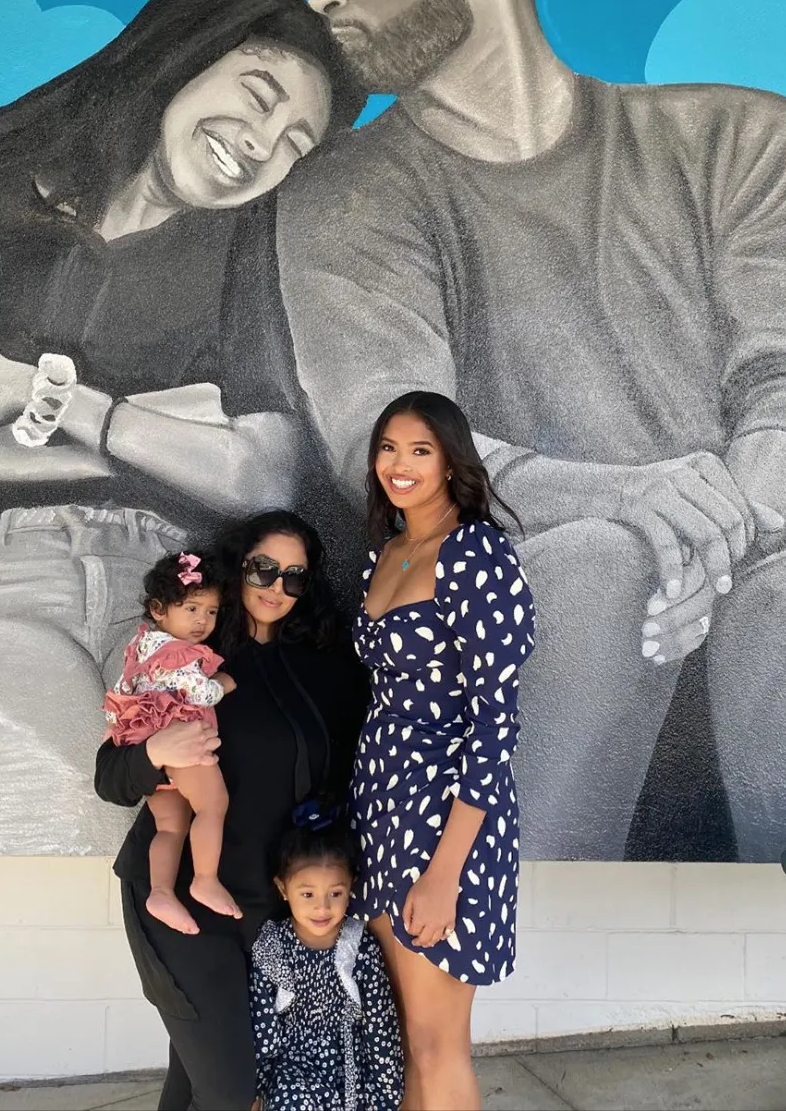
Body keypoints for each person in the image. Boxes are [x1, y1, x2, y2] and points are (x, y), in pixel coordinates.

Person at [277, 0, 786, 863]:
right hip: (533, 595)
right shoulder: (343, 194)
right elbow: (386, 439)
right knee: (594, 563)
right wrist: (626, 502)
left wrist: (720, 534)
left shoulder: (742, 136)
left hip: (767, 568)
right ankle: (512, 935)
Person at [0, 0, 363, 854]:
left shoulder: (255, 245)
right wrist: (176, 430)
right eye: (257, 97)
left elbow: (259, 475)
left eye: (296, 141)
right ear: (185, 57)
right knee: (63, 854)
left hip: (183, 598)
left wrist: (29, 394)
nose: (261, 146)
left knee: (225, 869)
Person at [96, 511, 369, 1111]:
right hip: (180, 904)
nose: (277, 587)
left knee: (197, 1082)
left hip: (266, 913)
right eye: (263, 569)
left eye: (294, 576)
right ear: (236, 567)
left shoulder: (322, 665)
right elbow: (110, 777)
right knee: (231, 1093)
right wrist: (155, 752)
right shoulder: (189, 657)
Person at [351, 392, 534, 1111]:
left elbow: (495, 725)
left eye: (420, 451)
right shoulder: (387, 551)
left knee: (437, 1044)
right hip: (381, 807)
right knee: (405, 1042)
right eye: (388, 447)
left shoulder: (478, 554)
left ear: (452, 462)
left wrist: (445, 873)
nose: (399, 465)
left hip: (445, 820)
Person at [104, 551, 242, 931]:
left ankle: (161, 892)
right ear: (158, 609)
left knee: (170, 826)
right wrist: (222, 684)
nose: (202, 620)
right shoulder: (178, 652)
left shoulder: (143, 646)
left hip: (149, 745)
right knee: (213, 805)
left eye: (211, 611)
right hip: (181, 741)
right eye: (191, 608)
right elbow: (199, 692)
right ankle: (205, 880)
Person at [249, 798, 403, 1111]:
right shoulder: (273, 945)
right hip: (291, 1068)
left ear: (351, 887)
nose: (322, 907)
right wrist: (256, 1088)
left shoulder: (359, 946)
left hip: (349, 1068)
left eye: (335, 893)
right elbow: (263, 1026)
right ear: (283, 889)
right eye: (307, 894)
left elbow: (379, 1023)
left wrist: (386, 1092)